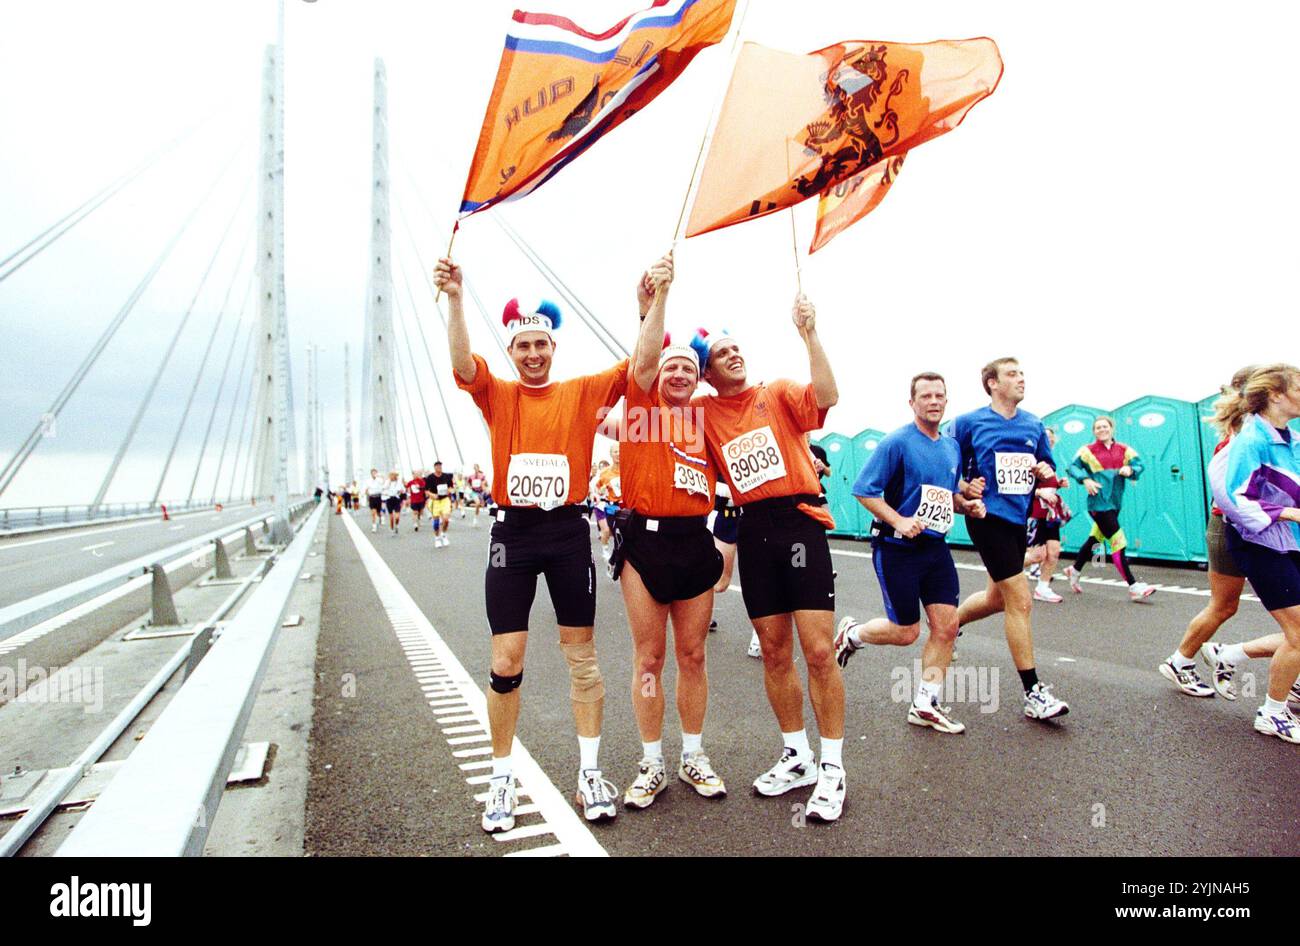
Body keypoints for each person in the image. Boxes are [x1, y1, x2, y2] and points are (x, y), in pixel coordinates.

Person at [435, 255, 628, 831]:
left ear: (553, 347)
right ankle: (500, 779)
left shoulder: (582, 392)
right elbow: (463, 363)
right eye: (523, 347)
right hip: (512, 535)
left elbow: (638, 367)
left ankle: (589, 772)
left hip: (568, 531)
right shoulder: (497, 393)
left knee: (582, 657)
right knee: (505, 660)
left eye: (541, 345)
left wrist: (651, 305)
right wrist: (454, 298)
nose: (533, 354)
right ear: (513, 352)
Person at [688, 296, 846, 822]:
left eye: (737, 348)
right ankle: (796, 754)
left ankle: (833, 766)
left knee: (819, 652)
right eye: (722, 353)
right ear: (707, 372)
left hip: (798, 521)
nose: (734, 355)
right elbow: (650, 408)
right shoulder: (704, 413)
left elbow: (827, 395)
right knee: (774, 651)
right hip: (752, 527)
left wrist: (810, 335)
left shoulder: (775, 392)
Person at [611, 253, 727, 808]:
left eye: (689, 368)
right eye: (670, 366)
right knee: (649, 658)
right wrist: (658, 299)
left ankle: (694, 757)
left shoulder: (705, 421)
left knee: (694, 656)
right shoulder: (639, 405)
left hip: (694, 542)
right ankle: (652, 760)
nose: (677, 373)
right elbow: (643, 359)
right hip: (645, 544)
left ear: (698, 379)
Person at [834, 372, 986, 733]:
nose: (934, 401)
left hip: (935, 547)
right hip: (896, 548)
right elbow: (864, 490)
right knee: (905, 633)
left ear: (946, 401)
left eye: (940, 395)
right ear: (912, 402)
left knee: (947, 628)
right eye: (926, 396)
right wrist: (899, 520)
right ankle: (853, 634)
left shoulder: (950, 446)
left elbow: (946, 496)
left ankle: (925, 703)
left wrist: (968, 506)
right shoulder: (896, 442)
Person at [952, 357, 1071, 721]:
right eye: (1012, 374)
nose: (1021, 379)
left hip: (1018, 519)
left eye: (1022, 374)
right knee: (1020, 600)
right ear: (992, 383)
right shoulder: (969, 423)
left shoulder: (1033, 424)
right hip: (987, 518)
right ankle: (1033, 693)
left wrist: (1046, 477)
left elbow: (1047, 472)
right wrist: (964, 488)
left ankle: (949, 625)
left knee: (995, 599)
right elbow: (947, 467)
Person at [1208, 363, 1300, 743]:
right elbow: (1232, 497)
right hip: (1259, 542)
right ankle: (1273, 713)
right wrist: (1287, 512)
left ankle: (1231, 654)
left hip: (1288, 539)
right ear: (1277, 395)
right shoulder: (1249, 440)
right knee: (1299, 632)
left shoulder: (1288, 436)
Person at [1063, 416, 1155, 600]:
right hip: (1098, 504)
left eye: (1105, 426)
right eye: (1097, 428)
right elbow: (1072, 467)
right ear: (1093, 431)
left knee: (1094, 539)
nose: (1101, 430)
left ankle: (1074, 569)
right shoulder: (1087, 451)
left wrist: (1130, 470)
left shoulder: (1124, 450)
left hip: (1115, 503)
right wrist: (1086, 479)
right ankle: (1133, 587)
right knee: (1118, 541)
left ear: (1111, 429)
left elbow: (1140, 464)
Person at [1024, 427, 1070, 604]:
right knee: (1037, 555)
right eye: (1046, 438)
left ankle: (1042, 588)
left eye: (1051, 438)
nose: (1049, 441)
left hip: (1051, 514)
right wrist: (1040, 493)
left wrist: (1059, 484)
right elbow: (1024, 488)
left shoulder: (1050, 461)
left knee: (1054, 552)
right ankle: (1003, 571)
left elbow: (1049, 484)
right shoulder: (1031, 458)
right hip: (1035, 513)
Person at [594, 447, 623, 561]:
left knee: (619, 532)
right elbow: (597, 489)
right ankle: (605, 549)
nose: (618, 454)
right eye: (615, 452)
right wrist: (604, 488)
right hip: (607, 505)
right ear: (611, 454)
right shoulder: (605, 473)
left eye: (620, 451)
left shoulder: (626, 470)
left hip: (622, 506)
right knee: (607, 531)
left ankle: (617, 554)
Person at [425, 462, 455, 548]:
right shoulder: (430, 478)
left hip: (445, 499)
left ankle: (444, 534)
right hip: (435, 501)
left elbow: (451, 487)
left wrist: (450, 490)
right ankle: (437, 538)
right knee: (436, 522)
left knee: (446, 519)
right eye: (437, 466)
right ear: (434, 467)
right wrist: (432, 495)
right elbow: (426, 491)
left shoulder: (446, 476)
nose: (439, 468)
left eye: (440, 466)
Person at [365, 468, 386, 533]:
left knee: (378, 512)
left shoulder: (379, 480)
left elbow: (384, 482)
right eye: (373, 473)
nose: (374, 474)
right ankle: (374, 526)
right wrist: (366, 495)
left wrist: (380, 476)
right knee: (373, 513)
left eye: (375, 473)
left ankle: (381, 517)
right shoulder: (368, 481)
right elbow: (366, 489)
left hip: (378, 497)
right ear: (371, 474)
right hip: (372, 497)